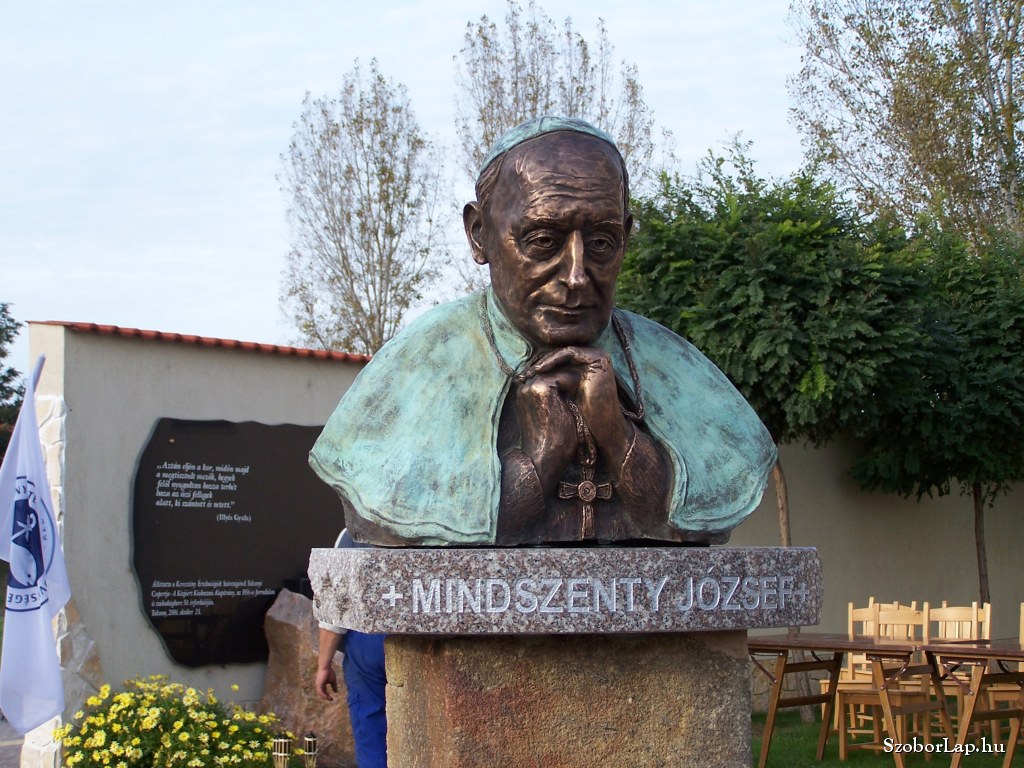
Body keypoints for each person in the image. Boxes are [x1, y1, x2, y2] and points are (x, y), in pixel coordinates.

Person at [310, 116, 776, 547]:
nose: (576, 276)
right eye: (542, 241)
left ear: (626, 236)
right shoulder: (415, 365)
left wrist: (618, 435)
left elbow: (694, 517)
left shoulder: (677, 365)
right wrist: (537, 464)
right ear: (479, 234)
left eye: (601, 243)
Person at [315, 530, 386, 767]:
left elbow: (335, 606)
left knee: (370, 726)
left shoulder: (354, 531)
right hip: (426, 640)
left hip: (369, 642)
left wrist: (324, 666)